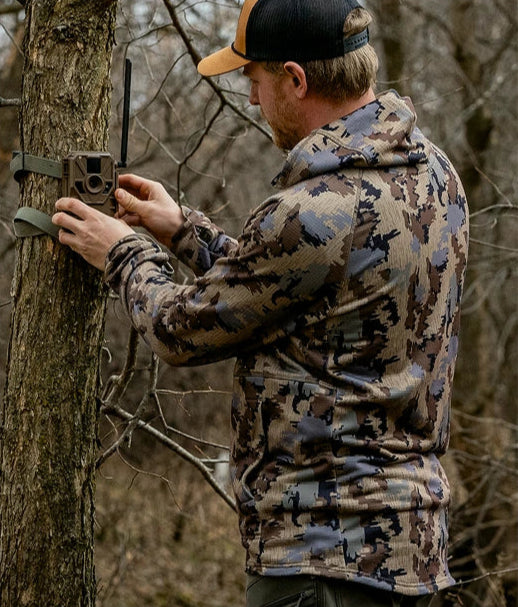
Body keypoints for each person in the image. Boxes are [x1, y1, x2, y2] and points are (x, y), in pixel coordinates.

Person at [52, 1, 469, 605]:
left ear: (296, 79)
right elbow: (304, 291)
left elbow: (178, 330)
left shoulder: (311, 211)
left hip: (321, 564)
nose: (251, 99)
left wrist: (121, 251)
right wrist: (181, 231)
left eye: (255, 80)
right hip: (411, 556)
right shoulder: (434, 174)